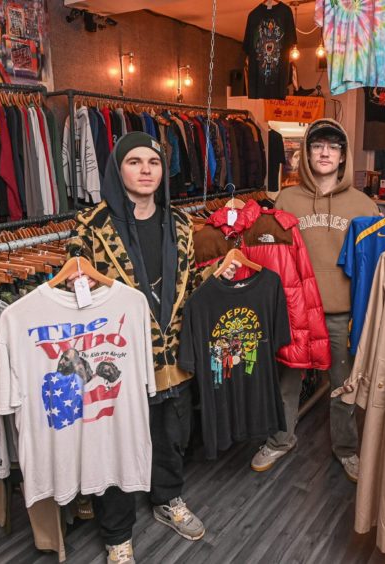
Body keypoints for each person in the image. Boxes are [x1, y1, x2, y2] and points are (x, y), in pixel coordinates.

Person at [68, 132, 232, 563]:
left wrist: (217, 275)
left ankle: (167, 498)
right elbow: (75, 293)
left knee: (170, 434)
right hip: (117, 359)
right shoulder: (92, 225)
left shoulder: (179, 223)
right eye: (134, 162)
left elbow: (184, 286)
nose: (145, 170)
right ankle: (117, 532)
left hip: (169, 353)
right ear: (117, 169)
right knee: (115, 443)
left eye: (153, 163)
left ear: (163, 170)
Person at [252, 118, 379, 482]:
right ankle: (281, 438)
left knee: (343, 386)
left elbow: (376, 263)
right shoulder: (286, 199)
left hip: (341, 314)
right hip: (295, 313)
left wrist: (365, 313)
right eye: (317, 145)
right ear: (306, 153)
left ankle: (346, 448)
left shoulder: (363, 204)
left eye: (333, 147)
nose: (324, 153)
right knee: (286, 382)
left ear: (343, 156)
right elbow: (271, 254)